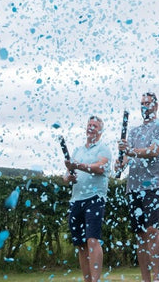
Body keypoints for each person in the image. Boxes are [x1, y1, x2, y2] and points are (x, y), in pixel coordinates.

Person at [115, 92, 159, 282]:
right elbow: (128, 158)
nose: (145, 106)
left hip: (152, 185)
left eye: (148, 103)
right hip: (133, 187)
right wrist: (120, 163)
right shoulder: (134, 131)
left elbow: (154, 151)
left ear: (156, 105)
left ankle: (157, 278)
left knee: (151, 231)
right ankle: (146, 279)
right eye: (142, 103)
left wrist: (131, 151)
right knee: (140, 234)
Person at [64, 115, 112, 282]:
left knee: (92, 240)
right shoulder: (78, 151)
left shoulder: (103, 149)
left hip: (95, 198)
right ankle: (87, 280)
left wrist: (77, 166)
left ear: (100, 130)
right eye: (89, 125)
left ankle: (96, 280)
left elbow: (100, 168)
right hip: (76, 199)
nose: (91, 127)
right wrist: (69, 176)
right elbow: (66, 176)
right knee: (81, 245)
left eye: (95, 125)